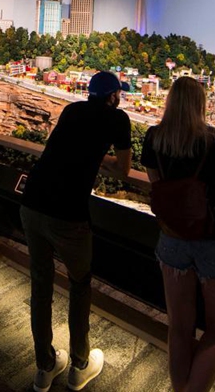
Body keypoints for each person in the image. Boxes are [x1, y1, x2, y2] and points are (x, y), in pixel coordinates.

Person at [20, 71, 131, 392]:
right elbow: (123, 169)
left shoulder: (71, 110)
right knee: (80, 285)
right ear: (113, 96)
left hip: (31, 204)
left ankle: (44, 367)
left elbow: (64, 150)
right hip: (68, 215)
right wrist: (100, 159)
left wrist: (91, 157)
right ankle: (80, 366)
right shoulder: (118, 119)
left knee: (40, 285)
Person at [139, 76, 215, 392]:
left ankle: (180, 387)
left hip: (172, 237)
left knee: (180, 327)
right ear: (201, 105)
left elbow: (157, 185)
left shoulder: (154, 138)